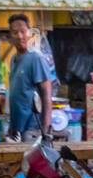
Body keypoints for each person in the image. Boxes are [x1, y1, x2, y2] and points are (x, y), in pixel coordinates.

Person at [7, 13, 57, 141]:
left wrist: (46, 129)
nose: (19, 36)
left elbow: (46, 95)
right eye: (15, 32)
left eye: (23, 31)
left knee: (31, 160)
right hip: (19, 127)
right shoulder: (14, 60)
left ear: (29, 33)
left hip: (33, 127)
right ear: (10, 37)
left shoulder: (36, 58)